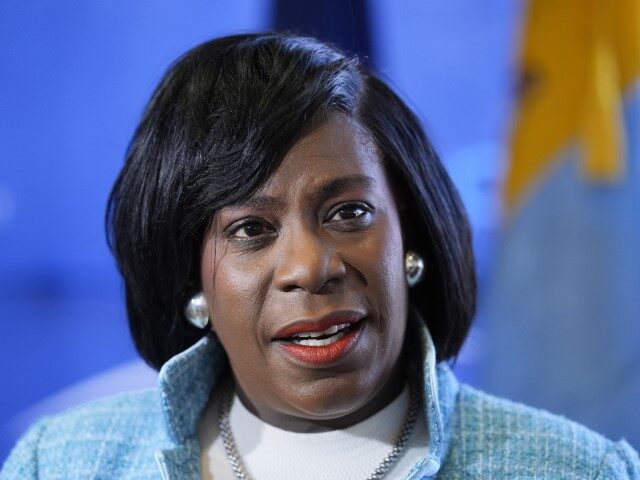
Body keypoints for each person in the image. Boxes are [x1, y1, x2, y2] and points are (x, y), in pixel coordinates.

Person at [1, 32, 638, 480]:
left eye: (349, 214)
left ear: (410, 238)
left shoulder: (578, 470)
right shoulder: (63, 462)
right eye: (251, 228)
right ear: (191, 278)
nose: (311, 266)